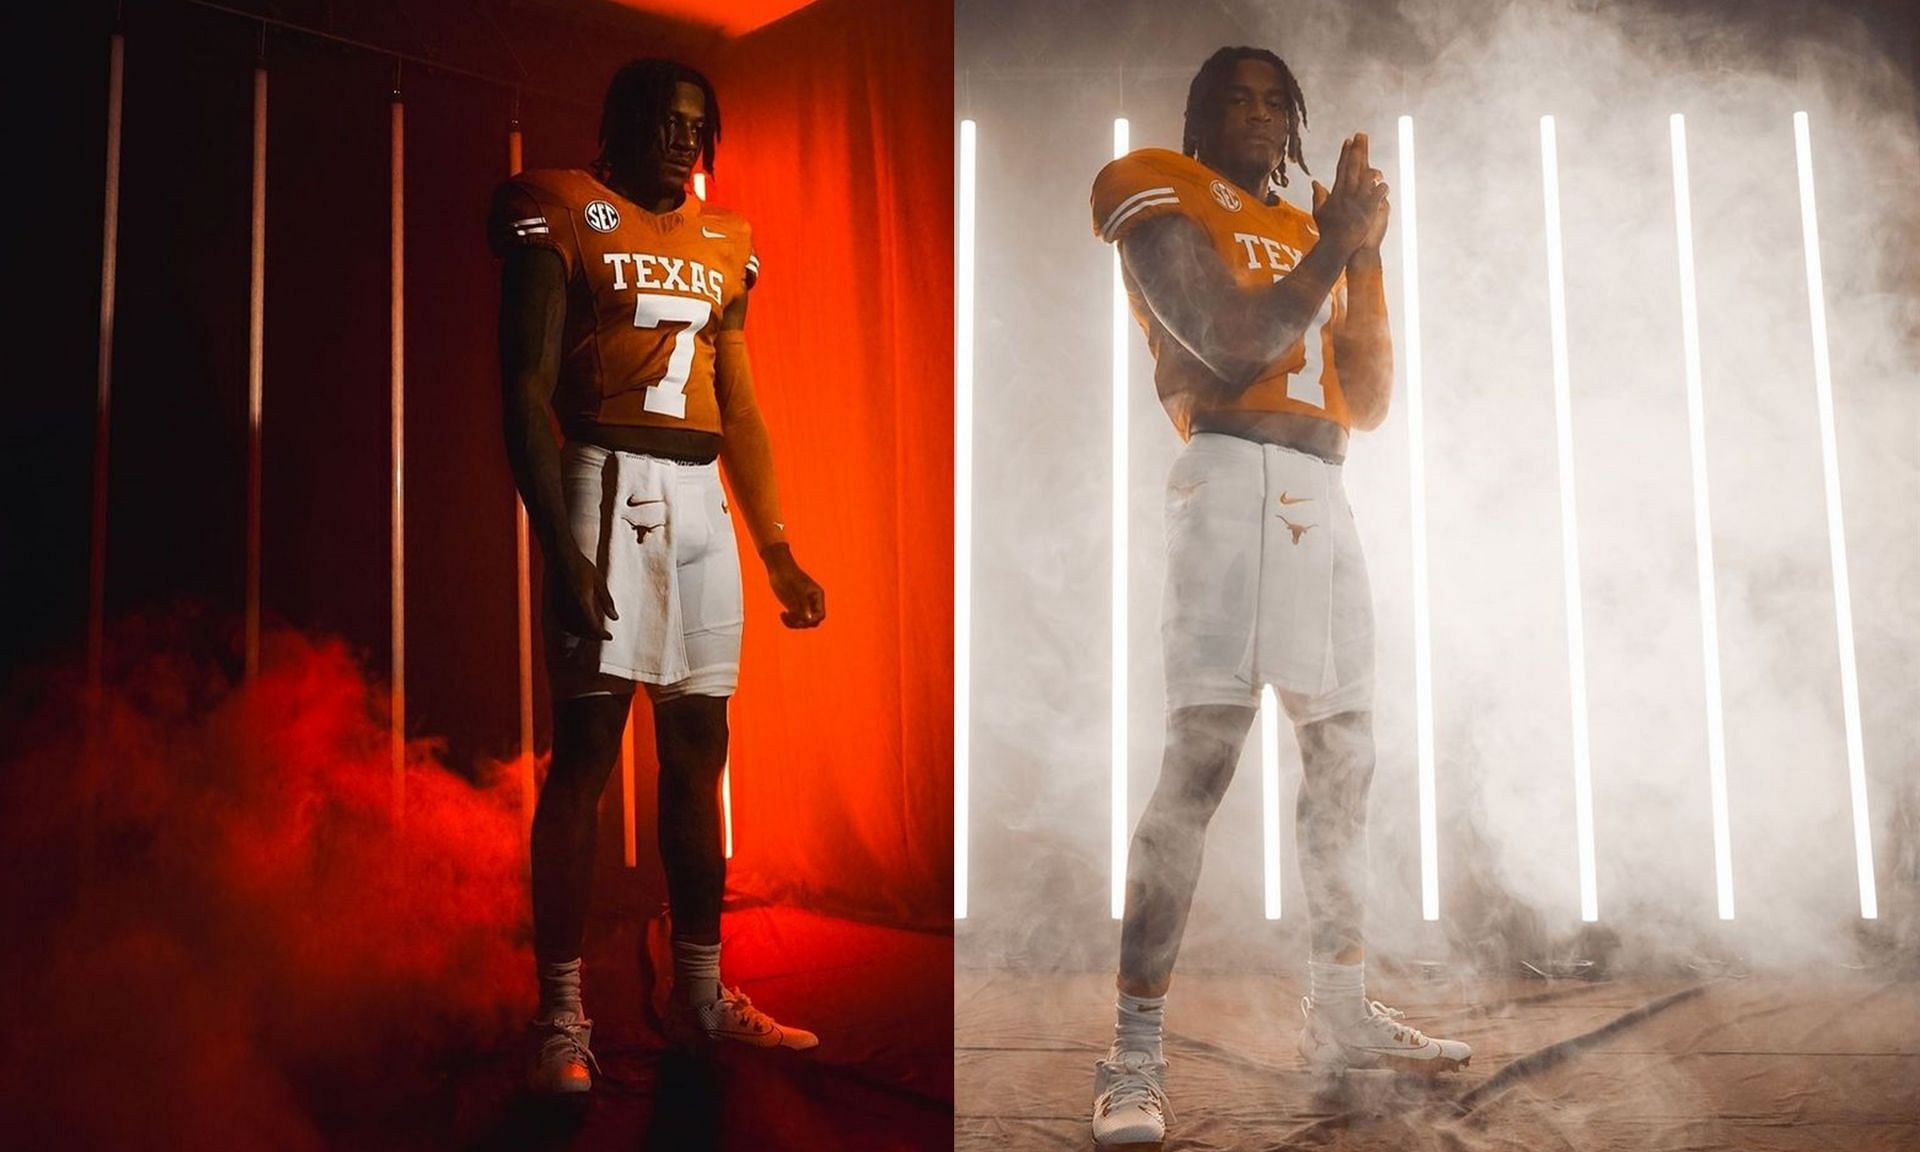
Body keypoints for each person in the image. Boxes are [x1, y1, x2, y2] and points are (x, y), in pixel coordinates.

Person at [1086, 45, 1470, 1146]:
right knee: (1200, 762)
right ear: (1196, 116)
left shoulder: (1317, 227)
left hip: (1323, 487)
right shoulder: (1154, 182)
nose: (1258, 116)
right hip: (1231, 477)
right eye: (1234, 99)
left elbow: (1373, 399)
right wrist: (1337, 246)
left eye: (1275, 102)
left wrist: (1371, 258)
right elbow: (1235, 337)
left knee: (1346, 757)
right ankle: (1135, 1051)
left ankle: (1342, 1015)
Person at [488, 57, 827, 1095]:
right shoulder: (558, 206)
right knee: (587, 749)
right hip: (603, 475)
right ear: (623, 121)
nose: (683, 137)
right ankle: (560, 1016)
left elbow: (742, 402)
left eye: (697, 122)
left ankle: (701, 991)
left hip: (699, 503)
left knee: (700, 747)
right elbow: (526, 384)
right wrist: (558, 545)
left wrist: (775, 547)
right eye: (666, 118)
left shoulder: (729, 240)